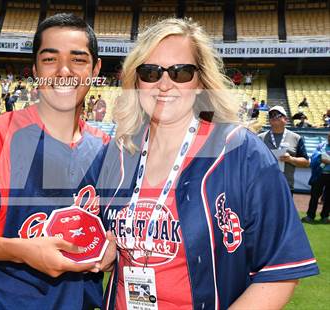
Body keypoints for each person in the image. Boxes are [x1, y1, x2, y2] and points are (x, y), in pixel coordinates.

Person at [97, 18, 318, 310]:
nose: (164, 84)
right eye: (150, 72)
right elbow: (95, 236)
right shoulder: (119, 151)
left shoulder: (242, 153)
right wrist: (104, 248)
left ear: (201, 80)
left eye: (181, 72)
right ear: (136, 80)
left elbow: (279, 272)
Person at [0, 14, 115, 310]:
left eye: (78, 60)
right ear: (36, 68)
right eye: (50, 59)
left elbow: (118, 230)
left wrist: (114, 247)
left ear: (96, 69)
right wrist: (20, 251)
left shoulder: (107, 150)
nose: (64, 71)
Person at [258, 106, 310, 193]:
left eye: (278, 115)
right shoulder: (260, 138)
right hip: (264, 185)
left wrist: (290, 159)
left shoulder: (296, 138)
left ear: (285, 119)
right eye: (271, 115)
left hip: (286, 186)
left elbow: (306, 162)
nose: (274, 117)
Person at [302, 132, 330, 224]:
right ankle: (310, 216)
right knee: (315, 196)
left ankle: (325, 216)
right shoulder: (321, 145)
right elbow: (314, 156)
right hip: (319, 174)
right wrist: (320, 158)